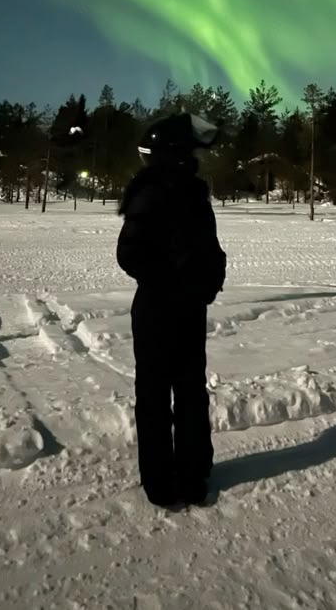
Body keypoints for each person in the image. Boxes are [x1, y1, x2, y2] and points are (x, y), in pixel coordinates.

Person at [117, 113, 227, 507]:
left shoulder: (194, 193)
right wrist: (173, 282)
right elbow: (129, 253)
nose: (196, 157)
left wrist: (210, 280)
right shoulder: (149, 193)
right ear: (174, 153)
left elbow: (210, 248)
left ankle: (194, 474)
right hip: (157, 310)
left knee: (191, 392)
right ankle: (160, 481)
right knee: (154, 396)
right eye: (189, 151)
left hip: (189, 309)